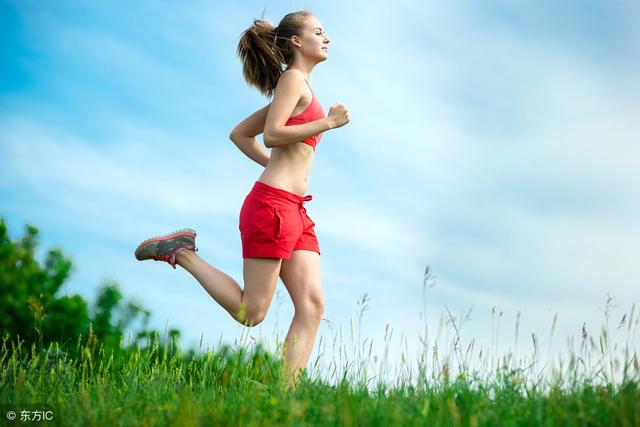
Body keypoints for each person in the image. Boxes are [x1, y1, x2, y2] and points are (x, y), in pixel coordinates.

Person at [134, 11, 349, 388]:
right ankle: (182, 252)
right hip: (274, 207)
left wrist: (277, 166)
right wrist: (326, 124)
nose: (326, 37)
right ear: (297, 42)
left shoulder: (301, 88)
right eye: (318, 32)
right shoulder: (292, 78)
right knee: (252, 312)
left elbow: (240, 134)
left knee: (312, 306)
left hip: (295, 209)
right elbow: (271, 135)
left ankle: (284, 397)